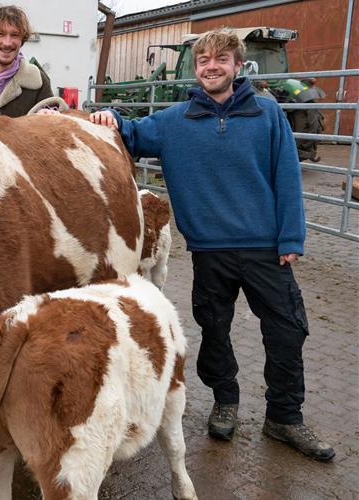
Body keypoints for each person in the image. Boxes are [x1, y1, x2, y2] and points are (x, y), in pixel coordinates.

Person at [90, 28, 335, 461]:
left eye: (221, 59)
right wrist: (108, 112)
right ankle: (226, 401)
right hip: (209, 250)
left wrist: (291, 235)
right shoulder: (173, 121)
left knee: (287, 329)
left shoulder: (267, 113)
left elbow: (286, 176)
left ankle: (284, 416)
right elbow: (127, 133)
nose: (211, 67)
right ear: (197, 67)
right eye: (204, 60)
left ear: (237, 66)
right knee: (214, 329)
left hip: (265, 247)